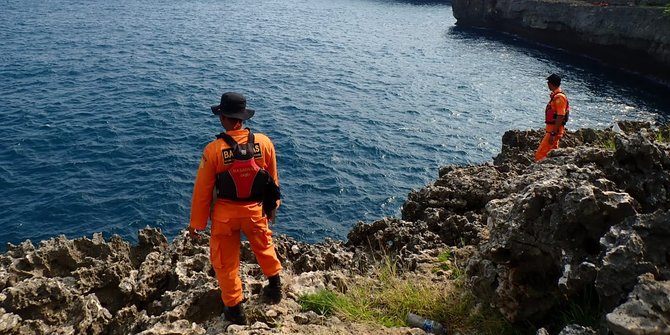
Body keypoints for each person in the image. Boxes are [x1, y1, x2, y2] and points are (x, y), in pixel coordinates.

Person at [188, 92, 282, 325]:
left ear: (223, 117)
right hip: (255, 211)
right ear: (242, 117)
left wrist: (196, 224)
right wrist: (272, 207)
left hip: (225, 217)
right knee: (264, 246)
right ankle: (275, 287)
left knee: (225, 261)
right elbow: (272, 180)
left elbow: (202, 191)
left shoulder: (214, 150)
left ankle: (235, 309)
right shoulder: (264, 143)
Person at [535, 73, 570, 161]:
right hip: (553, 130)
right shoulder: (556, 95)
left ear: (551, 84)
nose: (547, 84)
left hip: (553, 131)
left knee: (540, 154)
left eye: (548, 82)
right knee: (553, 153)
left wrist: (553, 133)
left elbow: (561, 115)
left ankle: (539, 171)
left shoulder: (559, 98)